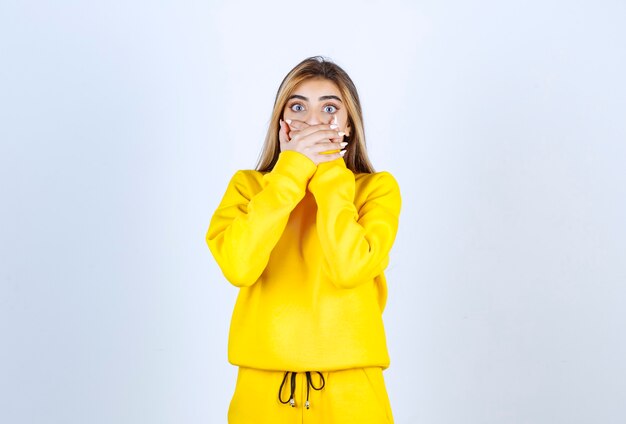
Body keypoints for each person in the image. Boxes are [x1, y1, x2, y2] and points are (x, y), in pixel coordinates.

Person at [206, 56, 402, 423]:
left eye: (330, 108)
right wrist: (290, 171)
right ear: (282, 122)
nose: (313, 121)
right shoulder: (248, 188)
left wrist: (329, 171)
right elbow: (238, 267)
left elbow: (350, 268)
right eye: (298, 107)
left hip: (352, 393)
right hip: (261, 392)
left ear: (348, 124)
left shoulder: (376, 190)